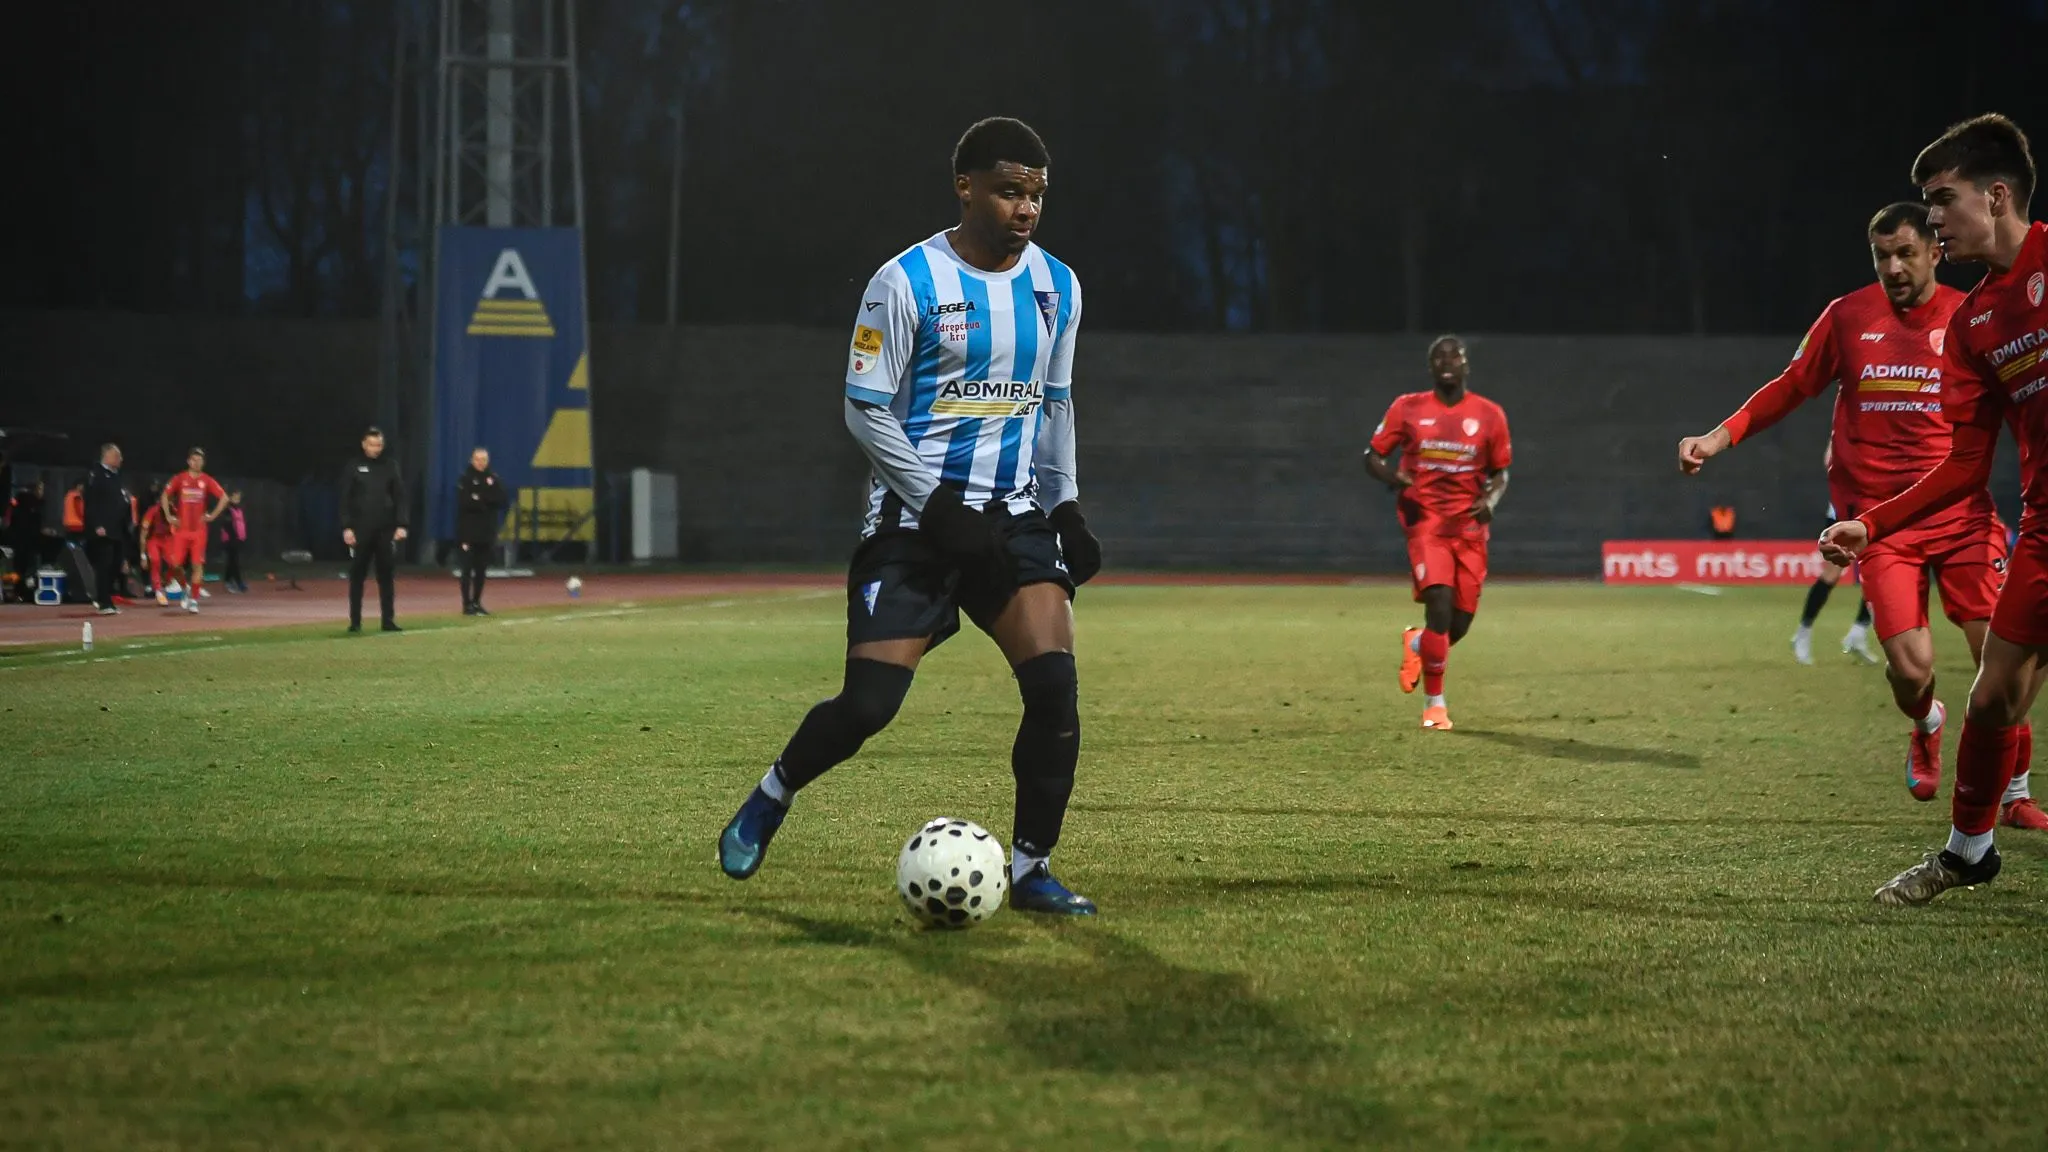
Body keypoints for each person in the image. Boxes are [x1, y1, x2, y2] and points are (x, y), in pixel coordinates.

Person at [716, 117, 1104, 915]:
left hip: (1012, 513)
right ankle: (774, 791)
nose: (1025, 208)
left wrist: (1064, 505)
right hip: (914, 521)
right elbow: (864, 408)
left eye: (1035, 193)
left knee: (1055, 690)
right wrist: (933, 504)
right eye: (1008, 191)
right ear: (966, 187)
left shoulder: (1058, 285)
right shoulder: (905, 282)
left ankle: (1030, 868)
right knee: (868, 706)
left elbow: (1056, 403)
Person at [1679, 202, 2036, 823]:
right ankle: (1926, 722)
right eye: (1881, 255)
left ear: (1934, 250)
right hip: (1879, 523)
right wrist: (1718, 437)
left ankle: (2017, 796)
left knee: (1997, 659)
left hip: (1960, 514)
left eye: (1904, 252)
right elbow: (1791, 385)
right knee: (1910, 668)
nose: (1893, 267)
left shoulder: (1970, 315)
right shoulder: (1847, 318)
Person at [1821, 114, 2048, 904]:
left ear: (1995, 196)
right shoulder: (1977, 322)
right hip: (2043, 535)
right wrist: (1873, 522)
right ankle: (1969, 852)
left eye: (1942, 201)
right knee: (1991, 698)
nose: (1934, 219)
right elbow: (1963, 463)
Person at [1363, 336, 1513, 731]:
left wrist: (1491, 502)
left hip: (1469, 527)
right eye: (1439, 357)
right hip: (1426, 522)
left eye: (1455, 356)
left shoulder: (1490, 415)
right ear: (1430, 367)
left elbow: (1501, 472)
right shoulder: (1407, 408)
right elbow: (1372, 455)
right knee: (1440, 604)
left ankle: (1417, 643)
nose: (1447, 362)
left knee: (1456, 625)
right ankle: (1436, 705)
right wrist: (1395, 479)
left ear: (1466, 366)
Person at [340, 426, 407, 633]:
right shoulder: (354, 467)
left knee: (386, 576)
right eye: (371, 444)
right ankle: (355, 622)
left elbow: (400, 497)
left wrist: (402, 524)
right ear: (363, 444)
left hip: (385, 530)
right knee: (357, 576)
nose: (375, 449)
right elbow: (345, 499)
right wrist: (347, 527)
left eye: (378, 445)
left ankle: (388, 620)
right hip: (361, 529)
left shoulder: (390, 466)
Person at [159, 448, 229, 615]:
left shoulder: (207, 480)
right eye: (194, 459)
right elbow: (164, 496)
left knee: (197, 565)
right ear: (189, 461)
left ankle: (194, 600)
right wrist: (169, 515)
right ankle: (186, 588)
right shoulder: (180, 478)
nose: (197, 463)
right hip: (182, 531)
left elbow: (224, 498)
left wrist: (211, 516)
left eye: (200, 460)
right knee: (175, 565)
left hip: (198, 531)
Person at [455, 447, 507, 614]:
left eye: (484, 459)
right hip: (468, 533)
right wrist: (484, 499)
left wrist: (479, 498)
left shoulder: (494, 478)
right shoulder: (465, 479)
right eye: (478, 459)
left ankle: (477, 602)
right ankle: (466, 604)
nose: (481, 463)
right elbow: (465, 503)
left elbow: (500, 499)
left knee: (481, 570)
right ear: (472, 460)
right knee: (466, 569)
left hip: (487, 532)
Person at [81, 443, 131, 615]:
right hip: (102, 530)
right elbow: (90, 503)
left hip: (117, 529)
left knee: (116, 565)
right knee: (104, 565)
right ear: (106, 456)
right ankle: (104, 602)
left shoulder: (117, 476)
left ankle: (105, 597)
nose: (120, 459)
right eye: (117, 456)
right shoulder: (96, 474)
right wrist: (96, 525)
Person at [6, 481, 45, 602]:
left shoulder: (17, 507)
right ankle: (26, 592)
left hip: (18, 542)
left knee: (19, 568)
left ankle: (19, 592)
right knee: (30, 568)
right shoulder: (33, 508)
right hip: (29, 543)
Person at [139, 495, 175, 604]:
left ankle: (166, 582)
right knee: (155, 561)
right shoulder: (152, 511)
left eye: (171, 501)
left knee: (175, 564)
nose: (169, 504)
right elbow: (143, 535)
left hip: (167, 539)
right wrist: (143, 556)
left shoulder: (174, 510)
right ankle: (158, 590)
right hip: (153, 540)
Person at [217, 491, 248, 593]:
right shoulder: (227, 510)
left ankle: (227, 580)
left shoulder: (239, 509)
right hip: (230, 540)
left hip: (238, 539)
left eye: (238, 498)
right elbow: (227, 525)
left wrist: (241, 537)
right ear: (230, 498)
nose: (237, 500)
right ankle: (238, 582)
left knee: (232, 561)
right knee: (234, 561)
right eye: (235, 498)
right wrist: (233, 538)